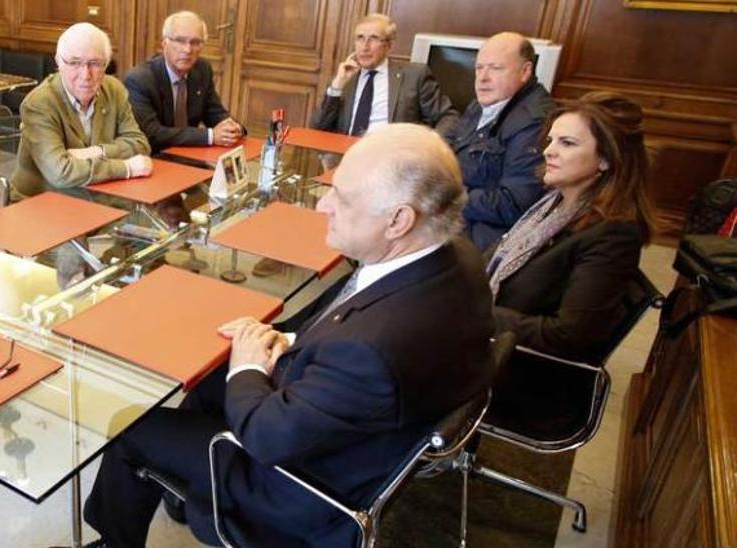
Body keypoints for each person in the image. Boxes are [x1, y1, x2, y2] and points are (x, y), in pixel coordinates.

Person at [83, 124, 495, 547]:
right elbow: (348, 325)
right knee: (208, 381)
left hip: (295, 491)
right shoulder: (456, 256)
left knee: (129, 426)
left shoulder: (371, 351)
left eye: (343, 198)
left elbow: (266, 438)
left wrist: (247, 366)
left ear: (398, 220)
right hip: (347, 431)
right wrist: (288, 339)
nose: (324, 205)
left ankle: (118, 539)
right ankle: (186, 481)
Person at [488, 91, 654, 363]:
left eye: (567, 143)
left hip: (520, 370)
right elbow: (496, 261)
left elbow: (570, 336)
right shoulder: (552, 205)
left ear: (606, 159)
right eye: (551, 140)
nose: (548, 150)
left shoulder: (613, 235)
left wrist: (478, 313)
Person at [10, 22, 152, 198]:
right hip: (40, 202)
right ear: (58, 62)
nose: (86, 75)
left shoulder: (114, 89)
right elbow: (61, 173)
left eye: (95, 63)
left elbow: (139, 144)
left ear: (106, 64)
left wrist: (95, 151)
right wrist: (126, 168)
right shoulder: (39, 104)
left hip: (98, 196)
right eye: (74, 63)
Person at [444, 31, 556, 250]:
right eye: (479, 68)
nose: (483, 78)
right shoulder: (483, 103)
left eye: (496, 68)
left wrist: (446, 197)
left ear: (525, 71)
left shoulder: (533, 121)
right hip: (458, 210)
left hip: (485, 232)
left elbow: (515, 203)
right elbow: (450, 144)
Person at [311, 13, 457, 136]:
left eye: (373, 38)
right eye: (360, 38)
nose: (365, 46)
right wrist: (336, 87)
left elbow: (449, 118)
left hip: (391, 158)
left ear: (389, 46)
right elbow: (317, 127)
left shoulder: (415, 76)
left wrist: (426, 148)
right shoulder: (345, 77)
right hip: (348, 157)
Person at [123, 11, 244, 152]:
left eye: (195, 42)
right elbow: (151, 134)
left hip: (190, 155)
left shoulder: (202, 69)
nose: (187, 50)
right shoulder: (140, 79)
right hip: (154, 158)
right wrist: (210, 136)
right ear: (164, 44)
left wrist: (233, 128)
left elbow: (214, 112)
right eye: (180, 41)